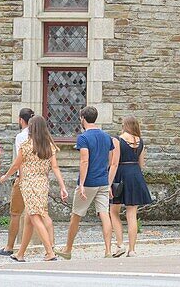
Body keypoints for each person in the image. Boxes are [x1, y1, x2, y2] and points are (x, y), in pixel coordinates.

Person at [0, 116, 67, 262]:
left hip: (28, 184)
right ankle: (21, 253)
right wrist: (62, 186)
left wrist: (5, 176)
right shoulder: (49, 145)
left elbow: (16, 165)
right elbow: (55, 167)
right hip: (43, 183)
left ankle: (49, 252)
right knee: (29, 219)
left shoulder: (26, 145)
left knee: (35, 217)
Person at [54, 105, 117, 259]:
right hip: (103, 181)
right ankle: (108, 250)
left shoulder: (83, 137)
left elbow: (84, 161)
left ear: (83, 118)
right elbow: (110, 160)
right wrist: (107, 180)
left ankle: (68, 249)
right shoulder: (106, 137)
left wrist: (81, 184)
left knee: (76, 215)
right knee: (104, 214)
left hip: (89, 182)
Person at [0, 108, 47, 257]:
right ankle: (48, 246)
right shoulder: (42, 136)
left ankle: (10, 246)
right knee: (40, 214)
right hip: (39, 179)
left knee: (15, 213)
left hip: (24, 178)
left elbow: (20, 161)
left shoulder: (21, 137)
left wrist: (11, 177)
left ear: (21, 120)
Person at [109, 115, 153, 257]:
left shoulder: (117, 140)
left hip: (121, 174)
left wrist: (109, 183)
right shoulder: (141, 142)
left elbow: (114, 163)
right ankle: (132, 249)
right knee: (132, 214)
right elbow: (141, 164)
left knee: (113, 211)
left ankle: (120, 244)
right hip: (135, 175)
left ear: (124, 125)